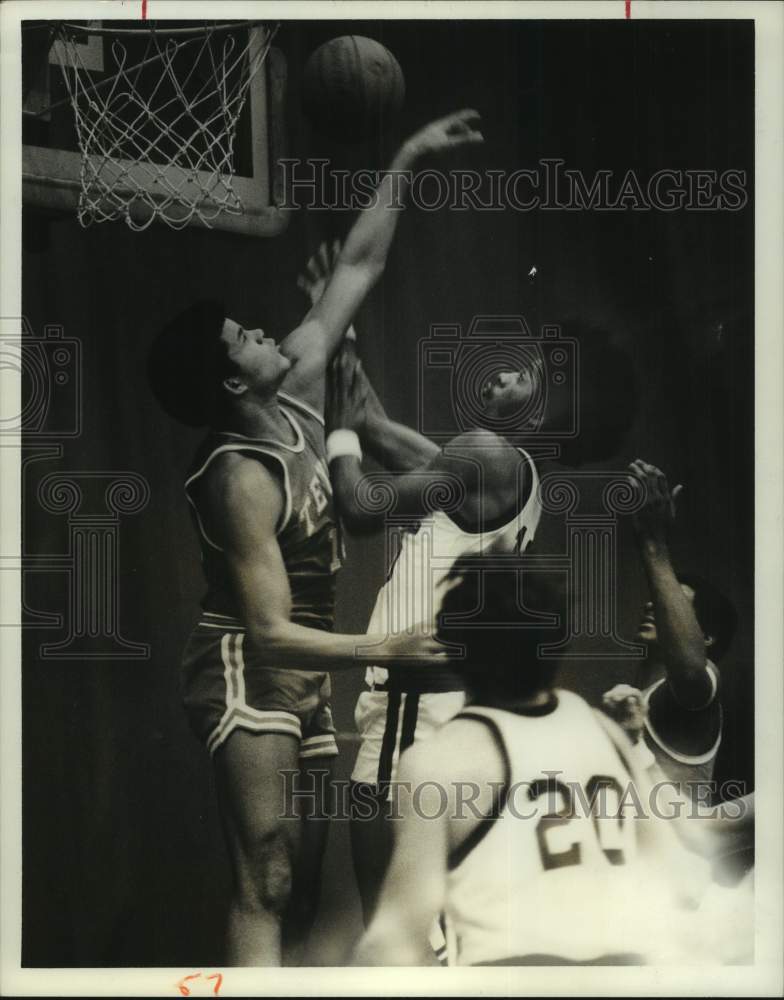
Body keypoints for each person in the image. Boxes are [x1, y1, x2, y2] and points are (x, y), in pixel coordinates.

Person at [146, 109, 483, 967]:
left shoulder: (295, 381)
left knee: (302, 882)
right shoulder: (239, 476)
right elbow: (266, 630)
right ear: (232, 378)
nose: (263, 331)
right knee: (266, 876)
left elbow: (360, 264)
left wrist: (406, 156)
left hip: (308, 669)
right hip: (248, 665)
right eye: (242, 338)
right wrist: (388, 645)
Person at [318, 318, 637, 931]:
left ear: (545, 415)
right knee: (437, 932)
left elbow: (360, 507)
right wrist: (345, 335)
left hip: (411, 718)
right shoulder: (515, 473)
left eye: (530, 377)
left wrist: (335, 435)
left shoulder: (485, 456)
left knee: (393, 936)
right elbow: (378, 429)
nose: (505, 371)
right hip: (450, 715)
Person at [352, 564, 743, 967]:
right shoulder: (607, 732)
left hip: (516, 971)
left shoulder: (441, 759)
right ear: (556, 645)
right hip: (623, 969)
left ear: (454, 647)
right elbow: (687, 880)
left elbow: (392, 942)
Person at [602, 460, 738, 802]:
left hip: (679, 853)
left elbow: (691, 670)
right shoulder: (637, 697)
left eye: (677, 607)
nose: (652, 606)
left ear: (706, 638)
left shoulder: (693, 691)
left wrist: (653, 542)